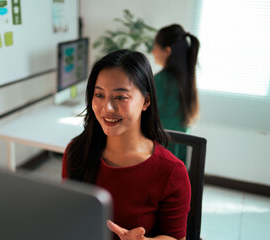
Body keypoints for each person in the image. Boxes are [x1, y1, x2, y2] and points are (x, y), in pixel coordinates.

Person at [61, 49, 191, 240]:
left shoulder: (172, 172)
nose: (107, 108)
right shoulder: (77, 151)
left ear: (146, 101)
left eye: (120, 97)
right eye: (99, 95)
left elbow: (175, 237)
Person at [152, 24, 200, 165]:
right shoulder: (187, 77)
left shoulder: (160, 80)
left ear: (167, 51)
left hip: (162, 150)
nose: (153, 51)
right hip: (180, 149)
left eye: (155, 47)